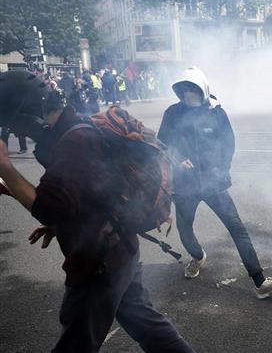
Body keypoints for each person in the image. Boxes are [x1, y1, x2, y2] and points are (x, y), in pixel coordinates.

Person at [0, 70, 195, 352]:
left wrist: (6, 167)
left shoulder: (73, 142)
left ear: (31, 112)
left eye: (14, 122)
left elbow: (48, 208)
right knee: (151, 329)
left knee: (75, 344)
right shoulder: (73, 129)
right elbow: (90, 191)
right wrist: (61, 225)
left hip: (100, 263)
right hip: (120, 250)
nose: (17, 131)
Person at [158, 67, 272, 299]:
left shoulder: (217, 114)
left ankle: (260, 282)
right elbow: (163, 144)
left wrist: (221, 169)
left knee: (237, 228)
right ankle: (198, 257)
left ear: (203, 90)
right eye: (184, 91)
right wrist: (178, 160)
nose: (188, 95)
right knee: (185, 230)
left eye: (193, 90)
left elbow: (229, 143)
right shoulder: (172, 113)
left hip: (212, 183)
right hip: (185, 186)